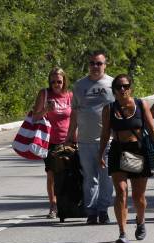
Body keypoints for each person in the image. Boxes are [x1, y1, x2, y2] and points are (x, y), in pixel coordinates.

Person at [99, 74, 154, 243]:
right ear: (114, 90)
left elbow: (151, 128)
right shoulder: (109, 109)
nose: (123, 89)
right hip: (118, 150)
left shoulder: (140, 104)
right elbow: (105, 133)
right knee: (121, 191)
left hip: (137, 151)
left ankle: (141, 220)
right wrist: (100, 154)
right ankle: (122, 232)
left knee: (138, 196)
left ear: (131, 88)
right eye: (119, 87)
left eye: (126, 86)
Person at [66, 51, 114, 225]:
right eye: (92, 63)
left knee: (107, 179)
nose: (95, 66)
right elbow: (75, 111)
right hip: (85, 141)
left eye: (99, 63)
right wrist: (70, 134)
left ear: (105, 65)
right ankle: (91, 211)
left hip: (107, 141)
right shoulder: (80, 85)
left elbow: (120, 110)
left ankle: (103, 210)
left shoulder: (113, 84)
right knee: (89, 178)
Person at [33, 67, 73, 219]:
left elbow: (75, 116)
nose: (56, 84)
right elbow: (35, 117)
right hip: (50, 141)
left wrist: (75, 136)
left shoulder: (70, 95)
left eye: (59, 81)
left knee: (70, 172)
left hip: (68, 140)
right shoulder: (44, 94)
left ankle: (69, 203)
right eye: (53, 81)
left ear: (64, 81)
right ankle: (53, 205)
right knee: (52, 173)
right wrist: (45, 110)